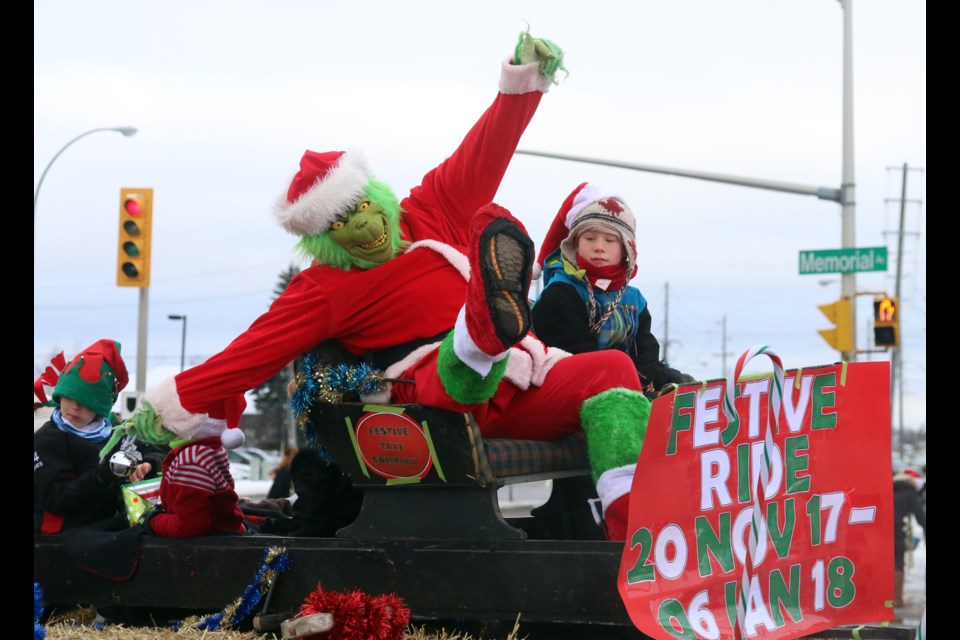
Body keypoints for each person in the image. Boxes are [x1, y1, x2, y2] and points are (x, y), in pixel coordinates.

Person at [121, 29, 650, 541]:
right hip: (427, 404)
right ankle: (478, 332)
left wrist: (522, 85)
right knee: (453, 366)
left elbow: (483, 152)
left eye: (363, 207)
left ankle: (631, 534)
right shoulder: (326, 286)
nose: (363, 226)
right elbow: (252, 352)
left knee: (613, 370)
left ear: (376, 194)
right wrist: (168, 402)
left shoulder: (431, 211)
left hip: (517, 382)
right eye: (339, 222)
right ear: (326, 238)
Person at [531, 182, 694, 398]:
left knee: (680, 383)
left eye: (610, 240)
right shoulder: (560, 294)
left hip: (622, 385)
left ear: (626, 250)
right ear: (575, 244)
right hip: (572, 388)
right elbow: (574, 355)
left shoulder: (633, 300)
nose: (599, 247)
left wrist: (654, 378)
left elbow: (645, 351)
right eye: (589, 238)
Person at [33, 340, 166, 534]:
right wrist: (103, 474)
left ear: (100, 406)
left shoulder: (115, 431)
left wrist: (148, 464)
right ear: (59, 396)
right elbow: (56, 500)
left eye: (85, 401)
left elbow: (159, 447)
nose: (75, 407)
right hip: (59, 537)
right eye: (69, 397)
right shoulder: (48, 439)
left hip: (104, 527)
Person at [892, 468, 926, 608]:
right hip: (897, 532)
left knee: (884, 566)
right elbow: (921, 518)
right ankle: (897, 599)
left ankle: (883, 599)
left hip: (880, 533)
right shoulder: (910, 493)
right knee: (898, 564)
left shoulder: (888, 488)